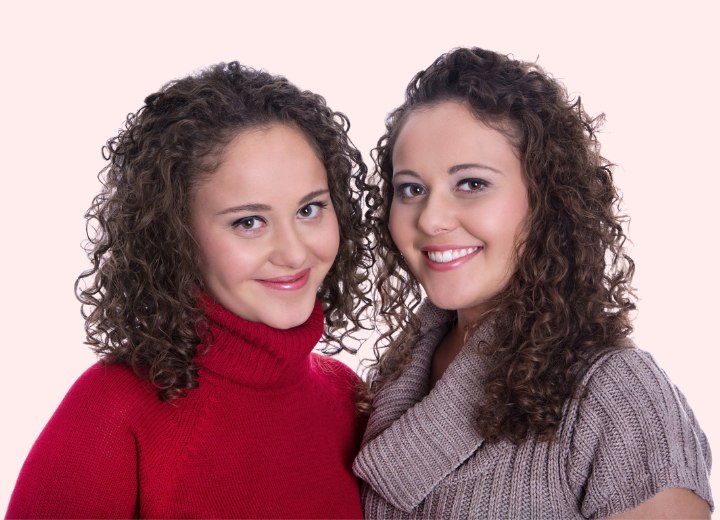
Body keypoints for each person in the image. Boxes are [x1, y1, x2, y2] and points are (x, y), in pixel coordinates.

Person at [354, 47, 713, 519]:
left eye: (472, 184)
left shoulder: (616, 394)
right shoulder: (392, 383)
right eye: (412, 189)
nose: (432, 218)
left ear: (546, 200)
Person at [7, 61, 374, 519]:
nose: (294, 253)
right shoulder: (114, 411)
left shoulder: (347, 398)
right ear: (176, 234)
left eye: (309, 210)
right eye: (249, 222)